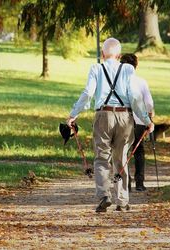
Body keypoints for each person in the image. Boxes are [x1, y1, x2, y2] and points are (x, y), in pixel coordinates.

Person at [67, 38, 154, 213]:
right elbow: (135, 98)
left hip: (103, 116)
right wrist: (146, 120)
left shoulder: (96, 68)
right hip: (124, 116)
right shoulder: (128, 69)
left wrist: (73, 114)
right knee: (121, 158)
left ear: (102, 54)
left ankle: (104, 196)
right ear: (119, 55)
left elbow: (88, 93)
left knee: (101, 158)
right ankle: (122, 201)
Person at [120, 53, 154, 192]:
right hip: (140, 121)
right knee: (139, 151)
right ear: (136, 66)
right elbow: (149, 103)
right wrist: (150, 118)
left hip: (123, 120)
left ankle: (125, 183)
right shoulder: (141, 82)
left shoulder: (119, 82)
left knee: (124, 151)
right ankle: (139, 183)